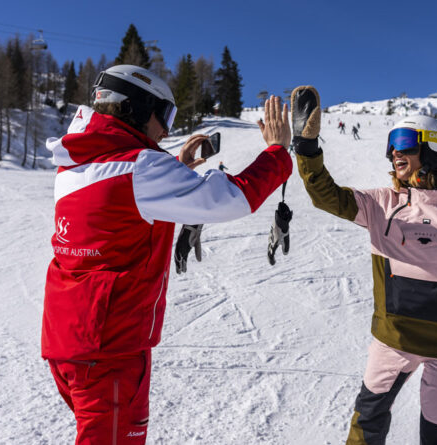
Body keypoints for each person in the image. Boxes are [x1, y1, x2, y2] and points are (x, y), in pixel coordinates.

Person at [41, 64, 292, 445]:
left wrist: (174, 171)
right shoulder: (140, 167)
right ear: (138, 108)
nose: (167, 131)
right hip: (111, 349)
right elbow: (228, 200)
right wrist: (277, 152)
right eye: (166, 115)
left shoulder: (75, 162)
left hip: (69, 341)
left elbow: (121, 208)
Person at [290, 86, 437, 445]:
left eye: (404, 142)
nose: (394, 152)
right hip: (393, 339)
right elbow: (326, 196)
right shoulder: (381, 204)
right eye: (391, 145)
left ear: (433, 148)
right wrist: (307, 149)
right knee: (368, 420)